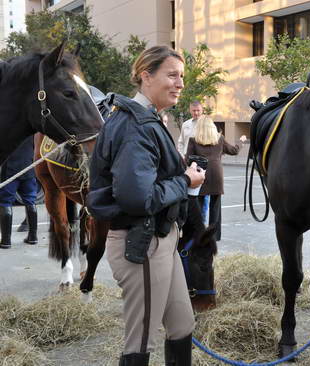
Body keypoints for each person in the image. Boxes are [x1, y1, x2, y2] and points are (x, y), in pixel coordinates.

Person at [87, 46, 205, 366]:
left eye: (182, 76)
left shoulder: (147, 118)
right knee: (141, 339)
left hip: (160, 240)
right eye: (171, 75)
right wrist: (186, 182)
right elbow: (138, 199)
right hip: (142, 244)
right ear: (145, 76)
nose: (180, 83)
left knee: (182, 324)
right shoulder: (134, 124)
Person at [186, 115, 245, 241]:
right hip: (217, 175)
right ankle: (214, 236)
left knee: (198, 206)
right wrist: (241, 141)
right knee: (215, 207)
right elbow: (234, 151)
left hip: (200, 174)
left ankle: (199, 234)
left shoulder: (193, 140)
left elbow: (187, 160)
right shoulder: (220, 139)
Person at [0, 135, 38, 249]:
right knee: (31, 201)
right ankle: (33, 237)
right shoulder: (29, 126)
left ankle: (6, 241)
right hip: (28, 167)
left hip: (10, 169)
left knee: (5, 202)